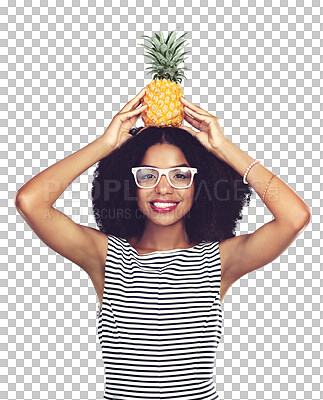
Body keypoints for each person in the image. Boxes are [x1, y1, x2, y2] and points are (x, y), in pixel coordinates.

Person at [14, 87, 311, 400]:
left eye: (180, 175)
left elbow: (295, 217)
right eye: (148, 175)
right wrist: (106, 144)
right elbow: (30, 202)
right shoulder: (106, 257)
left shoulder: (218, 261)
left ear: (199, 185)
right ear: (132, 183)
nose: (164, 189)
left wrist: (222, 148)